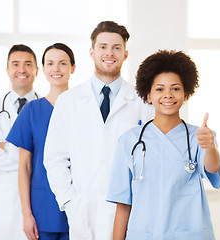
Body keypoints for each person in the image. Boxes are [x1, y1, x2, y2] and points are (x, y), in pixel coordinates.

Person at [43, 21, 154, 240]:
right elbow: (54, 158)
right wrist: (69, 202)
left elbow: (152, 157)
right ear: (92, 52)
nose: (109, 53)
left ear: (125, 54)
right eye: (103, 47)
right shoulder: (69, 101)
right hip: (83, 211)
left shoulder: (143, 101)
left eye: (116, 47)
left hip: (129, 211)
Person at [106, 50, 220, 240]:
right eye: (159, 89)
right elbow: (123, 203)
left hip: (188, 234)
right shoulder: (129, 141)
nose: (168, 95)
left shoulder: (199, 136)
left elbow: (212, 167)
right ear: (148, 95)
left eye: (175, 88)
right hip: (144, 234)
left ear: (185, 94)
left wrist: (209, 147)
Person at [6, 43, 75, 240]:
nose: (56, 69)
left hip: (77, 207)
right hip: (43, 209)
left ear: (73, 68)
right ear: (43, 69)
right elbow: (25, 167)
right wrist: (26, 214)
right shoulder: (31, 111)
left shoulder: (82, 109)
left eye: (63, 63)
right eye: (50, 63)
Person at [0, 44, 39, 240]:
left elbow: (52, 157)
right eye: (16, 64)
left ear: (36, 70)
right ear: (7, 70)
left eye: (28, 64)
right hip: (3, 204)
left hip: (36, 201)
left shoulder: (47, 107)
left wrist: (6, 146)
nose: (22, 69)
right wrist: (29, 155)